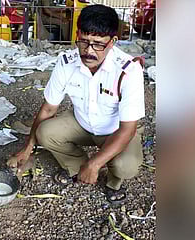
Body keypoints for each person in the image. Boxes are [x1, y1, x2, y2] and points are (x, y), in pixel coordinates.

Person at [9, 4, 145, 204]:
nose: (89, 51)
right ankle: (78, 167)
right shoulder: (66, 62)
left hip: (115, 130)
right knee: (44, 132)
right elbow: (48, 108)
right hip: (82, 122)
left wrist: (96, 163)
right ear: (77, 34)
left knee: (126, 165)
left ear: (113, 42)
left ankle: (112, 183)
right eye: (84, 41)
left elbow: (127, 129)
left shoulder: (128, 71)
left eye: (98, 44)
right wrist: (28, 148)